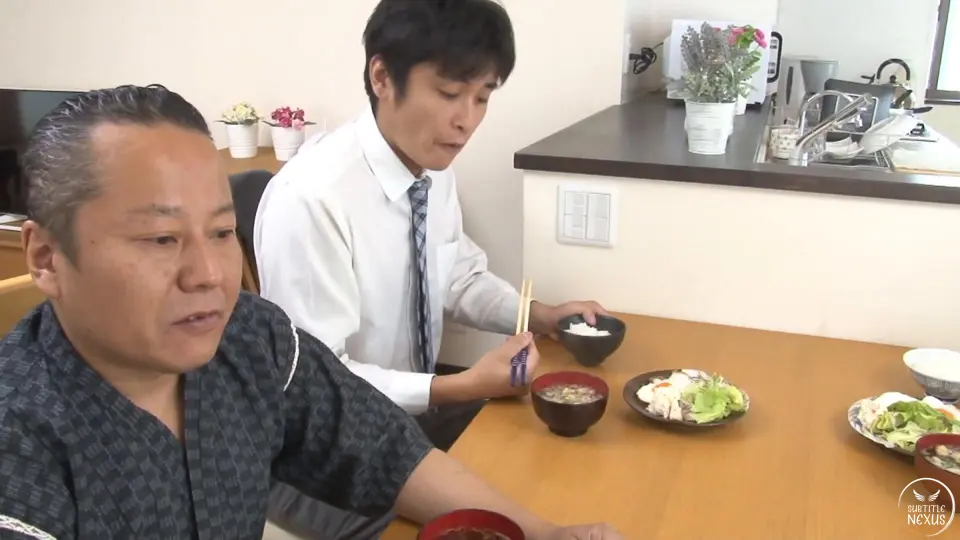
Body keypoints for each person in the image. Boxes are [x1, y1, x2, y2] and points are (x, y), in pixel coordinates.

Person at [0, 84, 621, 540]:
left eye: (222, 233)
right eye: (161, 239)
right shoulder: (19, 442)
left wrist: (543, 532)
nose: (209, 275)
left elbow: (380, 449)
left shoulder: (250, 337)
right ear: (47, 257)